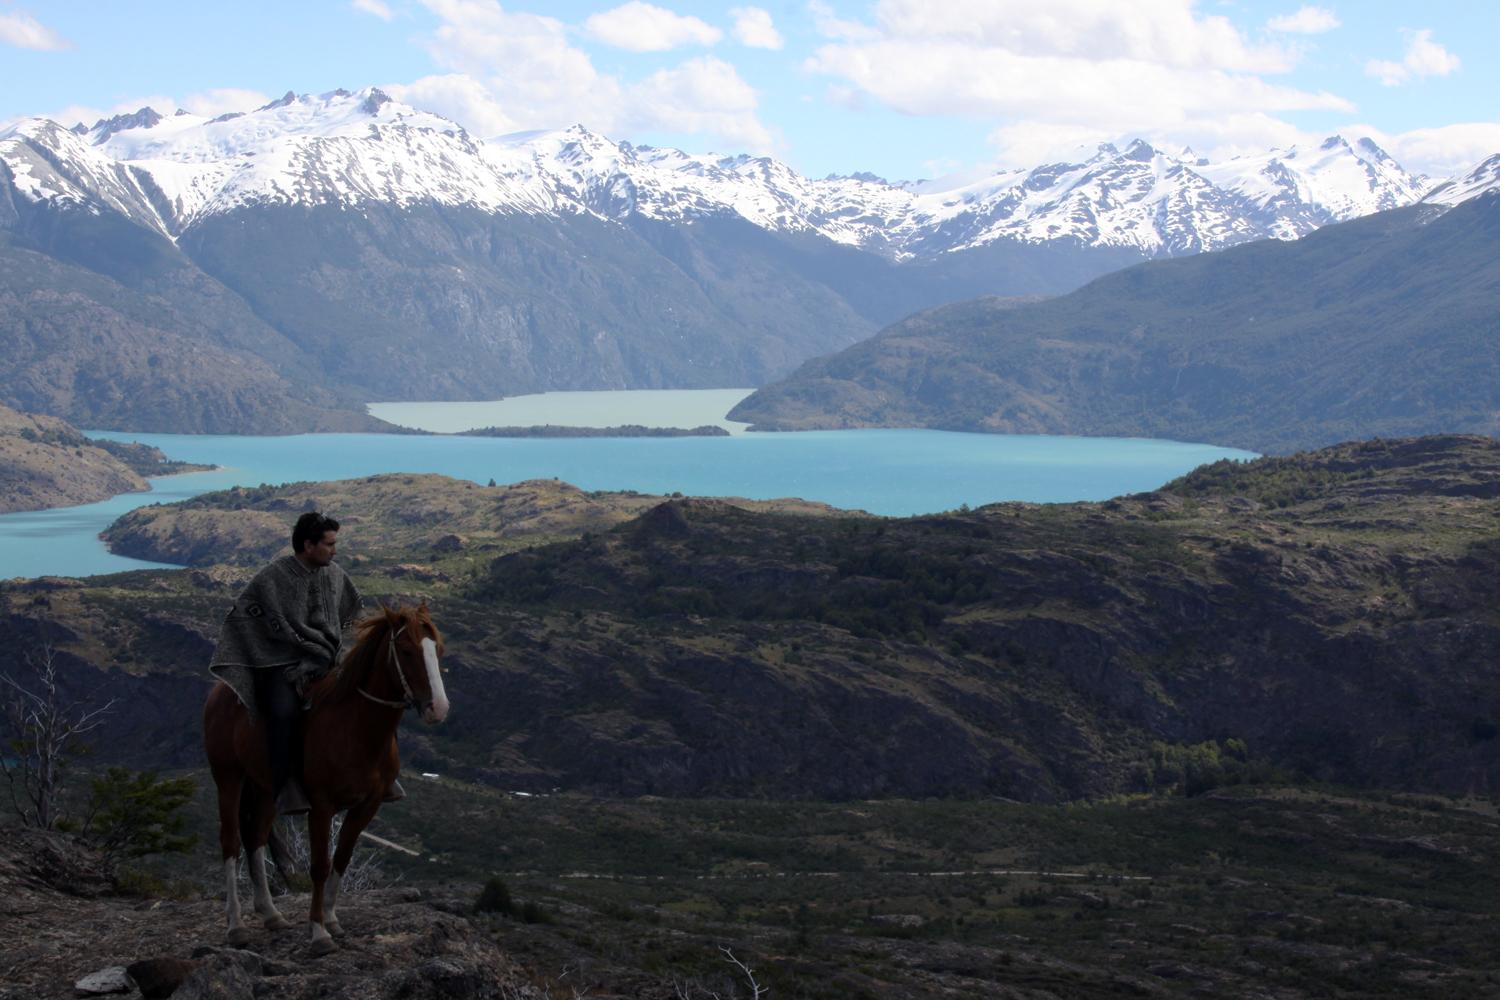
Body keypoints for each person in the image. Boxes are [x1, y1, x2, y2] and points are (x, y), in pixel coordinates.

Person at [209, 511, 398, 814]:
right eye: (329, 544)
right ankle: (286, 786)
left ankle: (386, 775)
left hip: (326, 661)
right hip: (279, 664)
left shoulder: (335, 575)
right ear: (309, 545)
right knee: (283, 713)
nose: (334, 551)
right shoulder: (272, 577)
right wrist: (281, 644)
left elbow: (349, 612)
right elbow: (246, 618)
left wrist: (330, 648)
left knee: (377, 697)